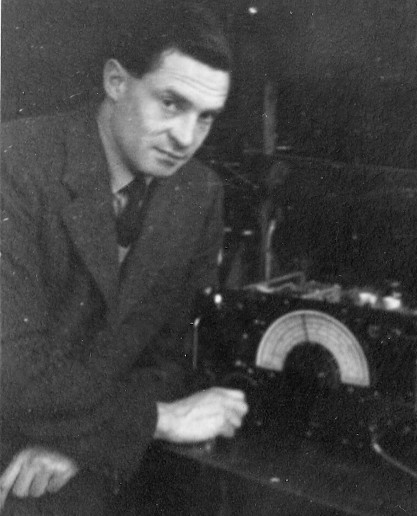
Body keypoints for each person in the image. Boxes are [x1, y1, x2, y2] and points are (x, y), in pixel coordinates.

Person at [0, 1, 248, 514]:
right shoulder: (15, 166)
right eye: (171, 104)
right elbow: (12, 370)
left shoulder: (199, 194)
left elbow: (174, 357)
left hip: (84, 460)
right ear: (116, 81)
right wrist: (158, 420)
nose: (186, 138)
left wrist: (80, 441)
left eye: (206, 118)